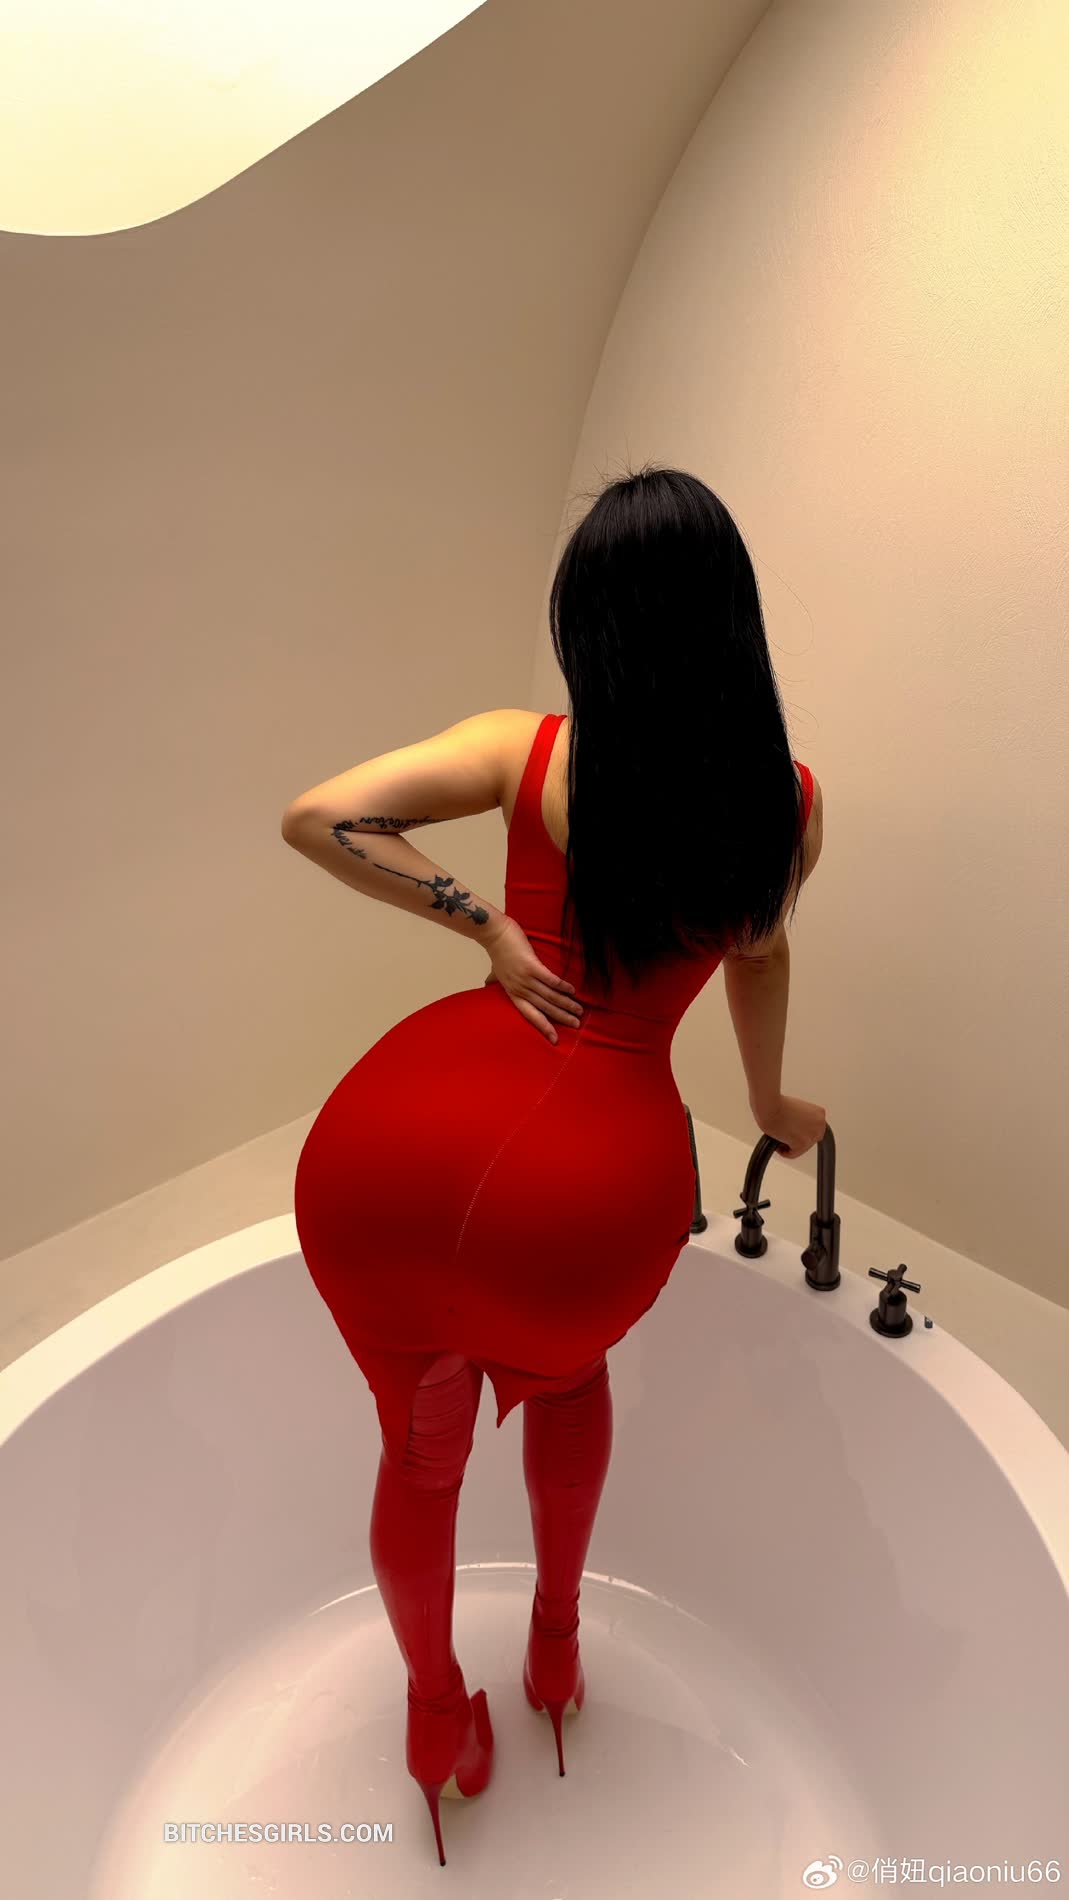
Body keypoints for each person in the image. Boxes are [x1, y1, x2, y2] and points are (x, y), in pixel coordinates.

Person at [287, 463, 826, 1866]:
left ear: (588, 623)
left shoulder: (524, 753)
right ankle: (554, 1651)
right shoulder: (782, 804)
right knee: (569, 1383)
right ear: (731, 619)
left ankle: (433, 1720)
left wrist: (487, 927)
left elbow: (320, 815)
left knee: (419, 1456)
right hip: (582, 1201)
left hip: (383, 1152)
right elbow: (760, 958)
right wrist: (769, 1103)